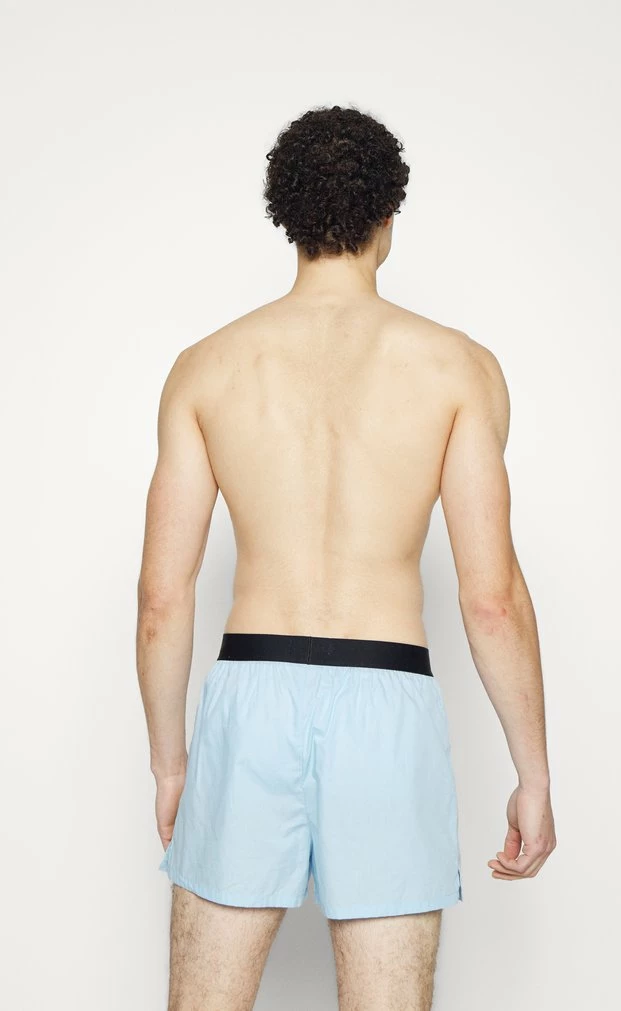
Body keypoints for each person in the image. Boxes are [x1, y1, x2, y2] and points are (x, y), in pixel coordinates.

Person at [136, 103, 556, 1011]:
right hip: (387, 701)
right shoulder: (456, 368)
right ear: (388, 217)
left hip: (251, 696)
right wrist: (533, 774)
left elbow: (163, 597)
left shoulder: (207, 367)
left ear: (284, 215)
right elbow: (492, 598)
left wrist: (172, 766)